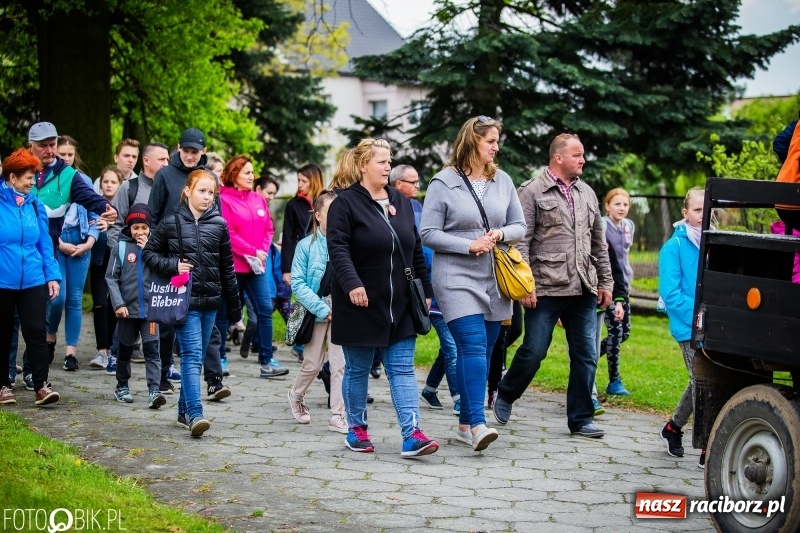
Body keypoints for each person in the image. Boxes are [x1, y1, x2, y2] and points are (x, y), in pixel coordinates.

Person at [492, 133, 612, 439]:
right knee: (534, 350)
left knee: (585, 354)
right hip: (544, 288)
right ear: (558, 158)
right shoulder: (531, 191)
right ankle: (506, 392)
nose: (583, 160)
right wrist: (526, 286)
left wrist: (605, 281)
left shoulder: (587, 193)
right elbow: (522, 242)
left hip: (584, 287)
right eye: (577, 155)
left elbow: (599, 243)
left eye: (582, 155)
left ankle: (580, 418)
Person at [327, 138, 439, 457]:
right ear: (363, 165)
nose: (388, 166)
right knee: (358, 369)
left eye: (390, 161)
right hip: (360, 302)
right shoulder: (345, 204)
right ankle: (357, 429)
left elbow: (414, 247)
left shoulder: (400, 202)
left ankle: (412, 433)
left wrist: (425, 290)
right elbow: (338, 249)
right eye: (381, 161)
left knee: (402, 368)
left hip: (401, 302)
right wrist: (352, 284)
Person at [420, 116, 526, 451]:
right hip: (455, 275)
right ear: (472, 142)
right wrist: (467, 244)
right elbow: (428, 233)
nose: (496, 147)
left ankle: (465, 424)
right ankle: (478, 424)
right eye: (491, 141)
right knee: (473, 345)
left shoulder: (503, 180)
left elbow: (519, 225)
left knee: (489, 345)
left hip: (494, 275)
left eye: (498, 140)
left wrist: (500, 234)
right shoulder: (443, 182)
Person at [143, 169, 241, 437]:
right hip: (182, 302)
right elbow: (149, 254)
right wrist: (173, 265)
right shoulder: (171, 223)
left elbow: (227, 268)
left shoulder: (219, 225)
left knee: (197, 355)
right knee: (192, 355)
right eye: (202, 191)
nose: (207, 197)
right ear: (187, 191)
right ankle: (196, 413)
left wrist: (235, 309)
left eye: (211, 193)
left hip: (210, 302)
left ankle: (182, 412)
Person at [148, 129, 229, 400]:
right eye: (187, 150)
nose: (191, 155)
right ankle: (163, 377)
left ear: (203, 152)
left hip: (203, 262)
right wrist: (167, 258)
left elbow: (215, 217)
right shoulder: (165, 175)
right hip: (173, 258)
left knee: (207, 332)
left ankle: (213, 380)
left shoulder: (210, 178)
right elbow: (154, 215)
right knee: (169, 325)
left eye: (196, 151)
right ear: (179, 149)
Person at [105, 143, 174, 378]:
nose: (167, 163)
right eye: (162, 159)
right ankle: (117, 358)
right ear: (147, 160)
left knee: (159, 319)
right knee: (128, 312)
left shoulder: (173, 185)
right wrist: (123, 254)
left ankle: (164, 369)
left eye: (168, 159)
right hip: (130, 263)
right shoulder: (129, 188)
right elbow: (115, 224)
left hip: (161, 262)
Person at [0, 148, 61, 406]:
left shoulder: (35, 205)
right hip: (3, 281)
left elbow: (45, 244)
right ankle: (3, 385)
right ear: (12, 178)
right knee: (3, 333)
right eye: (27, 177)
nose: (32, 182)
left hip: (34, 279)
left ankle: (41, 386)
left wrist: (52, 276)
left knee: (36, 331)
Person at [218, 156, 287, 378]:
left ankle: (267, 361)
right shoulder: (224, 199)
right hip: (233, 266)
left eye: (252, 172)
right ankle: (219, 358)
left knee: (265, 309)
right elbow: (227, 232)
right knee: (225, 312)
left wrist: (263, 250)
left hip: (256, 267)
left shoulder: (258, 199)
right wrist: (250, 250)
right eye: (247, 172)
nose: (252, 176)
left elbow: (269, 227)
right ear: (234, 174)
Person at [288, 191, 347, 432]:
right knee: (313, 363)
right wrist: (322, 308)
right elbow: (298, 284)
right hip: (316, 309)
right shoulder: (305, 246)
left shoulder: (347, 243)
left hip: (343, 309)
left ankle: (338, 414)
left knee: (339, 364)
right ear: (319, 215)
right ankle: (296, 395)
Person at [658, 187, 708, 468]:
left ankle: (673, 428)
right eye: (697, 210)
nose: (702, 215)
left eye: (706, 209)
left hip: (714, 324)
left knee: (701, 381)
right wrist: (702, 314)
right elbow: (671, 293)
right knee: (703, 384)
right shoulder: (673, 247)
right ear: (685, 212)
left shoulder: (715, 242)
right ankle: (708, 445)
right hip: (689, 327)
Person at [48, 137, 102, 371]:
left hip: (81, 241)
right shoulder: (47, 180)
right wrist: (59, 244)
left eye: (70, 154)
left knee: (74, 299)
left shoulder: (83, 180)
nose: (66, 159)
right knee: (56, 296)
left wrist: (90, 242)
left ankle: (71, 352)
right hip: (57, 241)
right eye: (62, 154)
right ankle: (49, 338)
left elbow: (94, 215)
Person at [106, 204, 165, 408]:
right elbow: (111, 278)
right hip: (126, 311)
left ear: (150, 227)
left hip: (150, 311)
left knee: (151, 348)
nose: (140, 232)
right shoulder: (120, 247)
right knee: (125, 349)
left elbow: (162, 270)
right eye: (135, 227)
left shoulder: (156, 246)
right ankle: (122, 386)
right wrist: (118, 304)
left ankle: (154, 389)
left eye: (143, 227)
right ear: (129, 228)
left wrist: (148, 249)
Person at [281, 163, 325, 362]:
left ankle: (318, 340)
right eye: (298, 180)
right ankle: (299, 340)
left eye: (304, 181)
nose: (300, 185)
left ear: (314, 180)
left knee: (320, 297)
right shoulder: (294, 205)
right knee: (301, 300)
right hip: (301, 257)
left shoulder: (325, 201)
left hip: (322, 257)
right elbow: (289, 238)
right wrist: (287, 269)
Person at [87, 165, 123, 370]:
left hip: (118, 261)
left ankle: (112, 348)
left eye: (113, 182)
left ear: (120, 185)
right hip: (99, 260)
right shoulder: (92, 205)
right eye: (105, 181)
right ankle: (102, 350)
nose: (108, 185)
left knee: (114, 304)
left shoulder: (124, 208)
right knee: (100, 302)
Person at [600, 188, 634, 396]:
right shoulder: (602, 226)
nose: (622, 208)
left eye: (625, 204)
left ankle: (589, 358)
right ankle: (614, 380)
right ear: (607, 206)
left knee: (625, 334)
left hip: (624, 285)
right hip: (609, 286)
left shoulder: (629, 226)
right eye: (617, 204)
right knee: (616, 331)